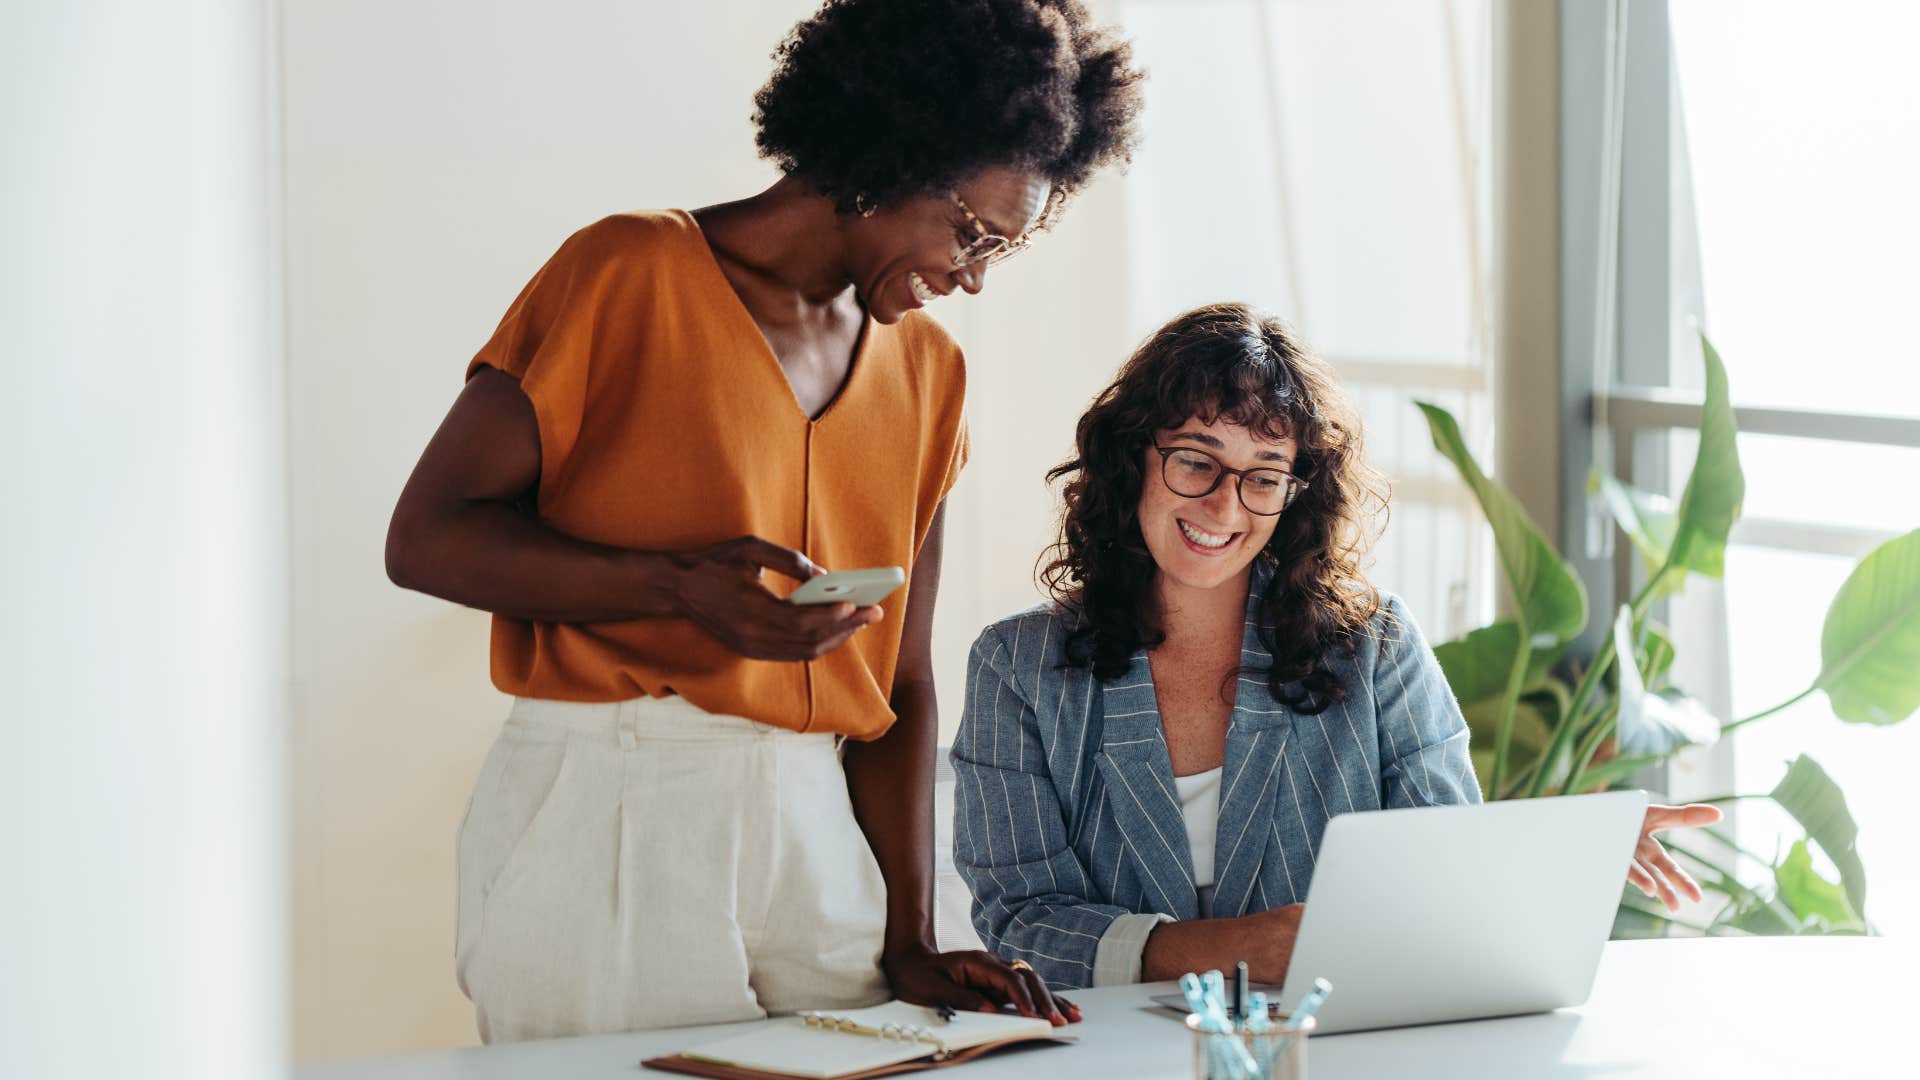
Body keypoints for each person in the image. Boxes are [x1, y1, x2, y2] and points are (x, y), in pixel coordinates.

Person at [384, 0, 1143, 1040]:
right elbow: (426, 535)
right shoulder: (627, 273)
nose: (970, 275)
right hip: (613, 797)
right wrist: (671, 588)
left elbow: (903, 682)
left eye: (999, 253)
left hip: (817, 822)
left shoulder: (931, 373)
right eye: (970, 232)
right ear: (894, 150)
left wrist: (911, 934)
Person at [950, 302, 1721, 989]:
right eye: (1195, 460)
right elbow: (1022, 923)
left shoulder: (1375, 646)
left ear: (1296, 494)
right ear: (1133, 460)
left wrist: (1565, 851)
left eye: (1264, 476)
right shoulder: (1017, 668)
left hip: (1336, 1048)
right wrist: (1229, 947)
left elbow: (1441, 866)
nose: (1225, 503)